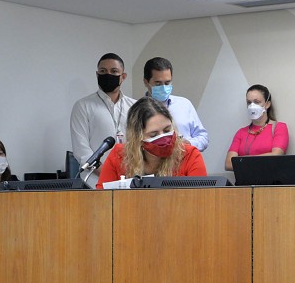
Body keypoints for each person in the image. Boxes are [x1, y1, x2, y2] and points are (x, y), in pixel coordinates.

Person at [94, 97, 207, 186]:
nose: (163, 137)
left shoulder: (189, 155)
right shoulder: (120, 155)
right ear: (137, 138)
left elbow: (202, 199)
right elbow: (102, 198)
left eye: (167, 130)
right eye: (154, 134)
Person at [71, 53, 134, 186]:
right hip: (94, 183)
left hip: (130, 181)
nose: (108, 75)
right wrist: (108, 173)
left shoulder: (135, 106)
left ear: (123, 76)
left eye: (114, 71)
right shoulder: (83, 106)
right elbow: (82, 150)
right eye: (103, 71)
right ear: (97, 74)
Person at [140, 57, 208, 151]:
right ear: (146, 82)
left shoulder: (184, 104)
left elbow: (203, 137)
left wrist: (189, 144)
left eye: (167, 83)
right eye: (158, 83)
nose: (163, 87)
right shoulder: (138, 110)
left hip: (185, 156)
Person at [224, 85, 289, 171]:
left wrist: (242, 161)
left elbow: (276, 155)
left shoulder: (279, 127)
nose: (252, 106)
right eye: (249, 102)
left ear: (267, 104)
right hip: (245, 179)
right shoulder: (241, 132)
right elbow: (228, 164)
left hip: (270, 178)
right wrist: (259, 161)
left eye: (256, 102)